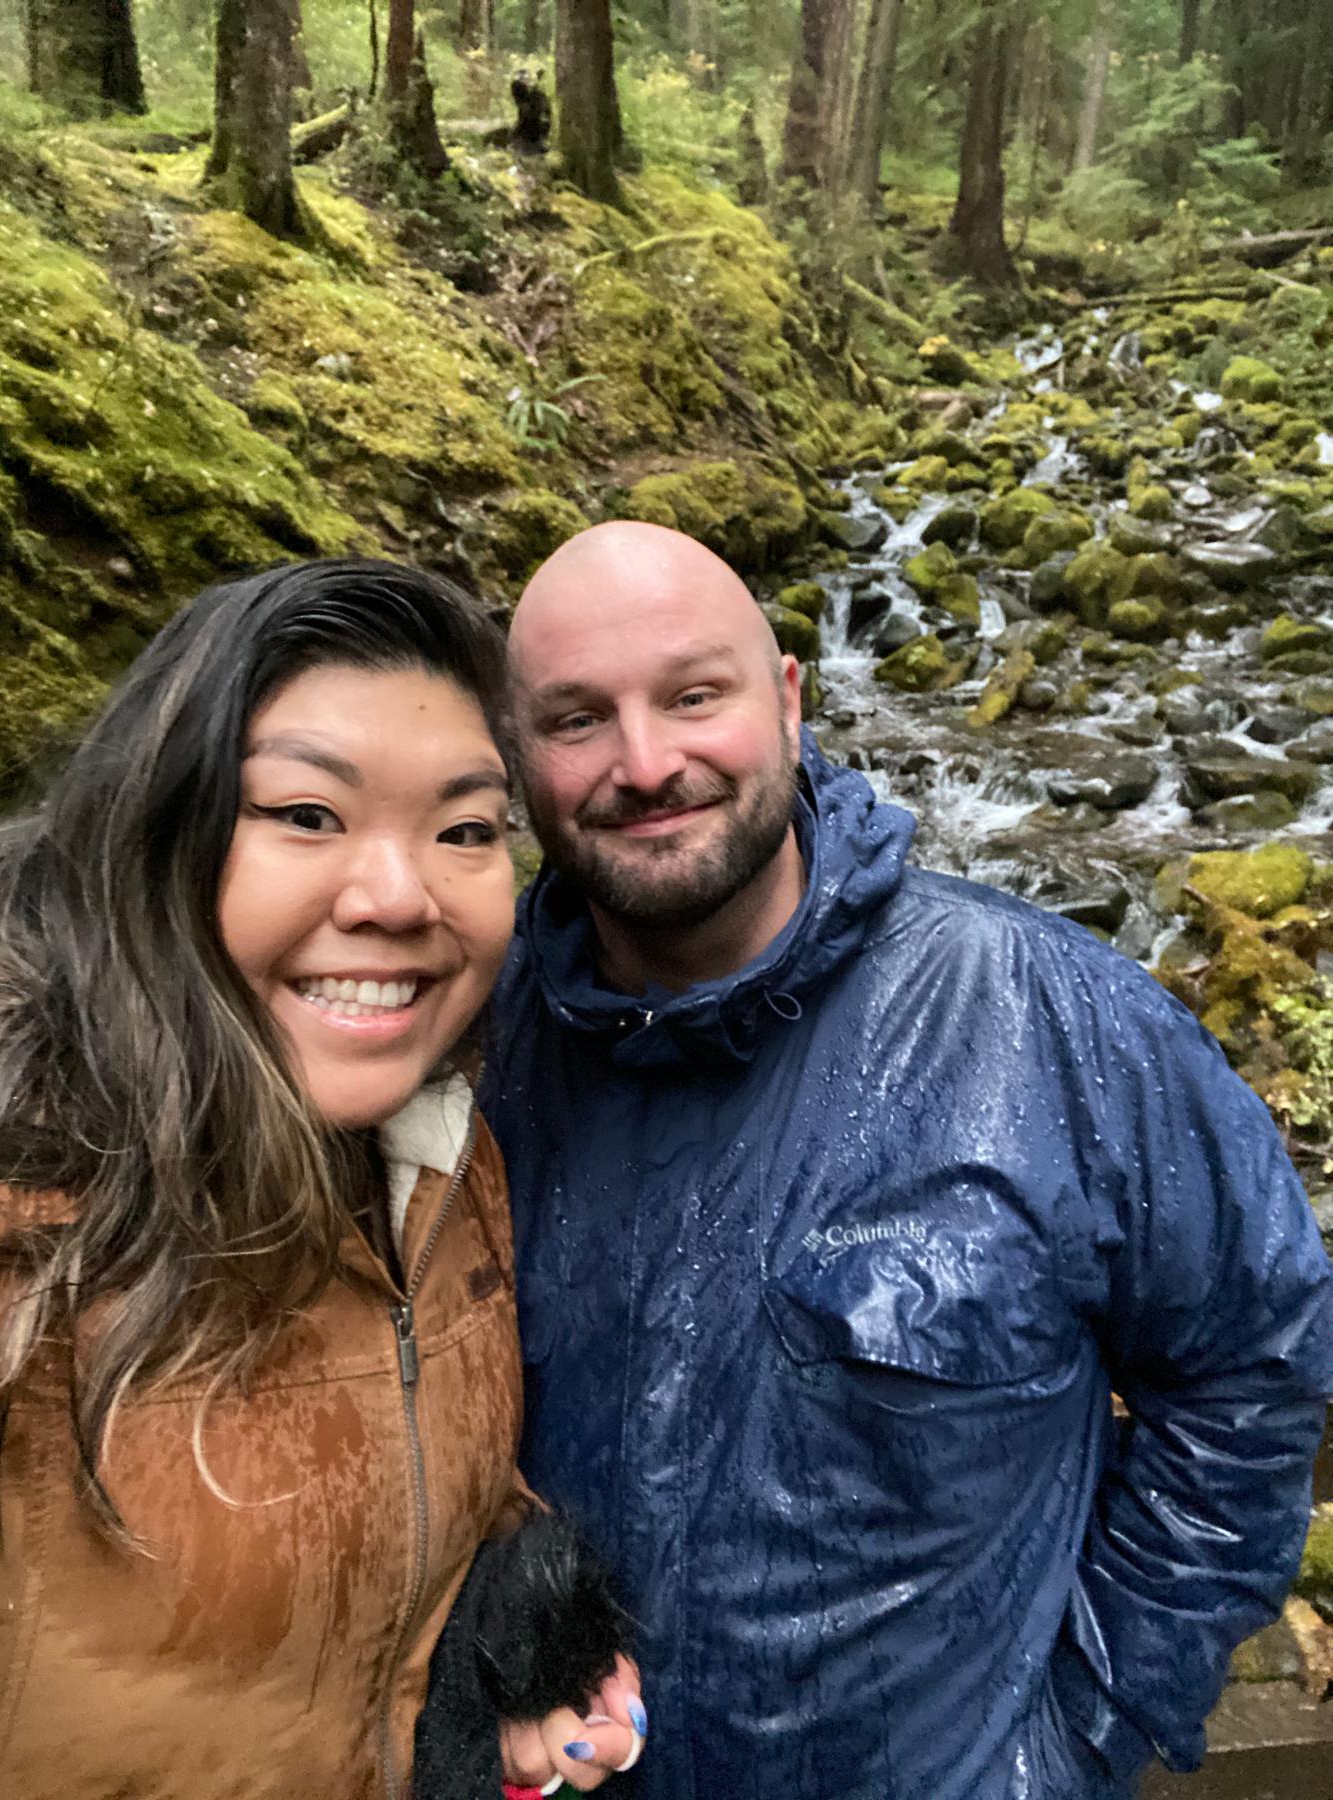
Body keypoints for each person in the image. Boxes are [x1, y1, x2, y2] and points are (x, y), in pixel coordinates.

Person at [485, 520, 1333, 1800]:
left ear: (788, 698)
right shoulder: (467, 1044)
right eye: (577, 720)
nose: (645, 763)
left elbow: (1251, 1367)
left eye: (695, 696)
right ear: (515, 756)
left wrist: (1081, 1731)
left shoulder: (1057, 1021)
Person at [0, 559, 643, 1800]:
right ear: (158, 832)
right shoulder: (15, 1222)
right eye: (305, 814)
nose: (399, 897)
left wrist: (483, 1678)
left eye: (465, 830)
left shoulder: (445, 1155)